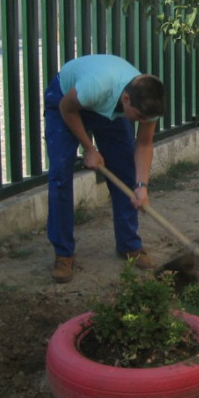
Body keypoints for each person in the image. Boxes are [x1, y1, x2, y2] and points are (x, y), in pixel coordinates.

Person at [44, 54, 166, 283]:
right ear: (127, 100)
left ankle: (129, 245)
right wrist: (89, 148)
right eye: (138, 118)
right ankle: (63, 253)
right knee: (60, 173)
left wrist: (142, 187)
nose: (141, 121)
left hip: (105, 103)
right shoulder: (95, 87)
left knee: (125, 170)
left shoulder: (148, 100)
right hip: (66, 99)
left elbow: (144, 143)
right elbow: (66, 108)